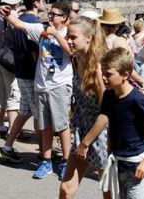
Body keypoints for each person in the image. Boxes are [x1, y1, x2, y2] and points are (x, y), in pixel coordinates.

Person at [76, 47, 144, 199]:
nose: (104, 78)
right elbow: (103, 118)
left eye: (108, 74)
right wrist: (85, 143)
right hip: (117, 165)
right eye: (103, 73)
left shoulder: (138, 100)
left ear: (125, 75)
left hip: (136, 167)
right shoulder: (108, 95)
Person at [4, 0, 74, 179]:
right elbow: (19, 24)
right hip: (41, 85)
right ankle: (46, 160)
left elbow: (71, 52)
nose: (50, 17)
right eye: (50, 14)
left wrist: (56, 35)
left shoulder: (69, 32)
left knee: (62, 125)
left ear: (64, 17)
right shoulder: (41, 30)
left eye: (54, 15)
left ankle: (66, 161)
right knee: (45, 126)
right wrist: (5, 12)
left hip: (59, 85)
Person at [60, 15, 109, 199]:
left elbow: (107, 111)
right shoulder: (77, 60)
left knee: (108, 191)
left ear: (89, 37)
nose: (68, 41)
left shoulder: (98, 67)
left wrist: (86, 141)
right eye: (67, 36)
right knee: (66, 189)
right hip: (83, 127)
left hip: (102, 132)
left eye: (73, 37)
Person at [0, 0, 44, 163]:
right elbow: (34, 52)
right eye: (43, 1)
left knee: (24, 112)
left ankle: (7, 147)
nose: (44, 3)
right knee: (39, 115)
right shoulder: (32, 23)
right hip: (31, 74)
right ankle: (43, 153)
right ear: (36, 3)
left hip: (21, 70)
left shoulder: (20, 20)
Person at [0, 0, 23, 137]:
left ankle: (1, 126)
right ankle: (13, 132)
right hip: (8, 58)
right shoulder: (11, 14)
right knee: (13, 96)